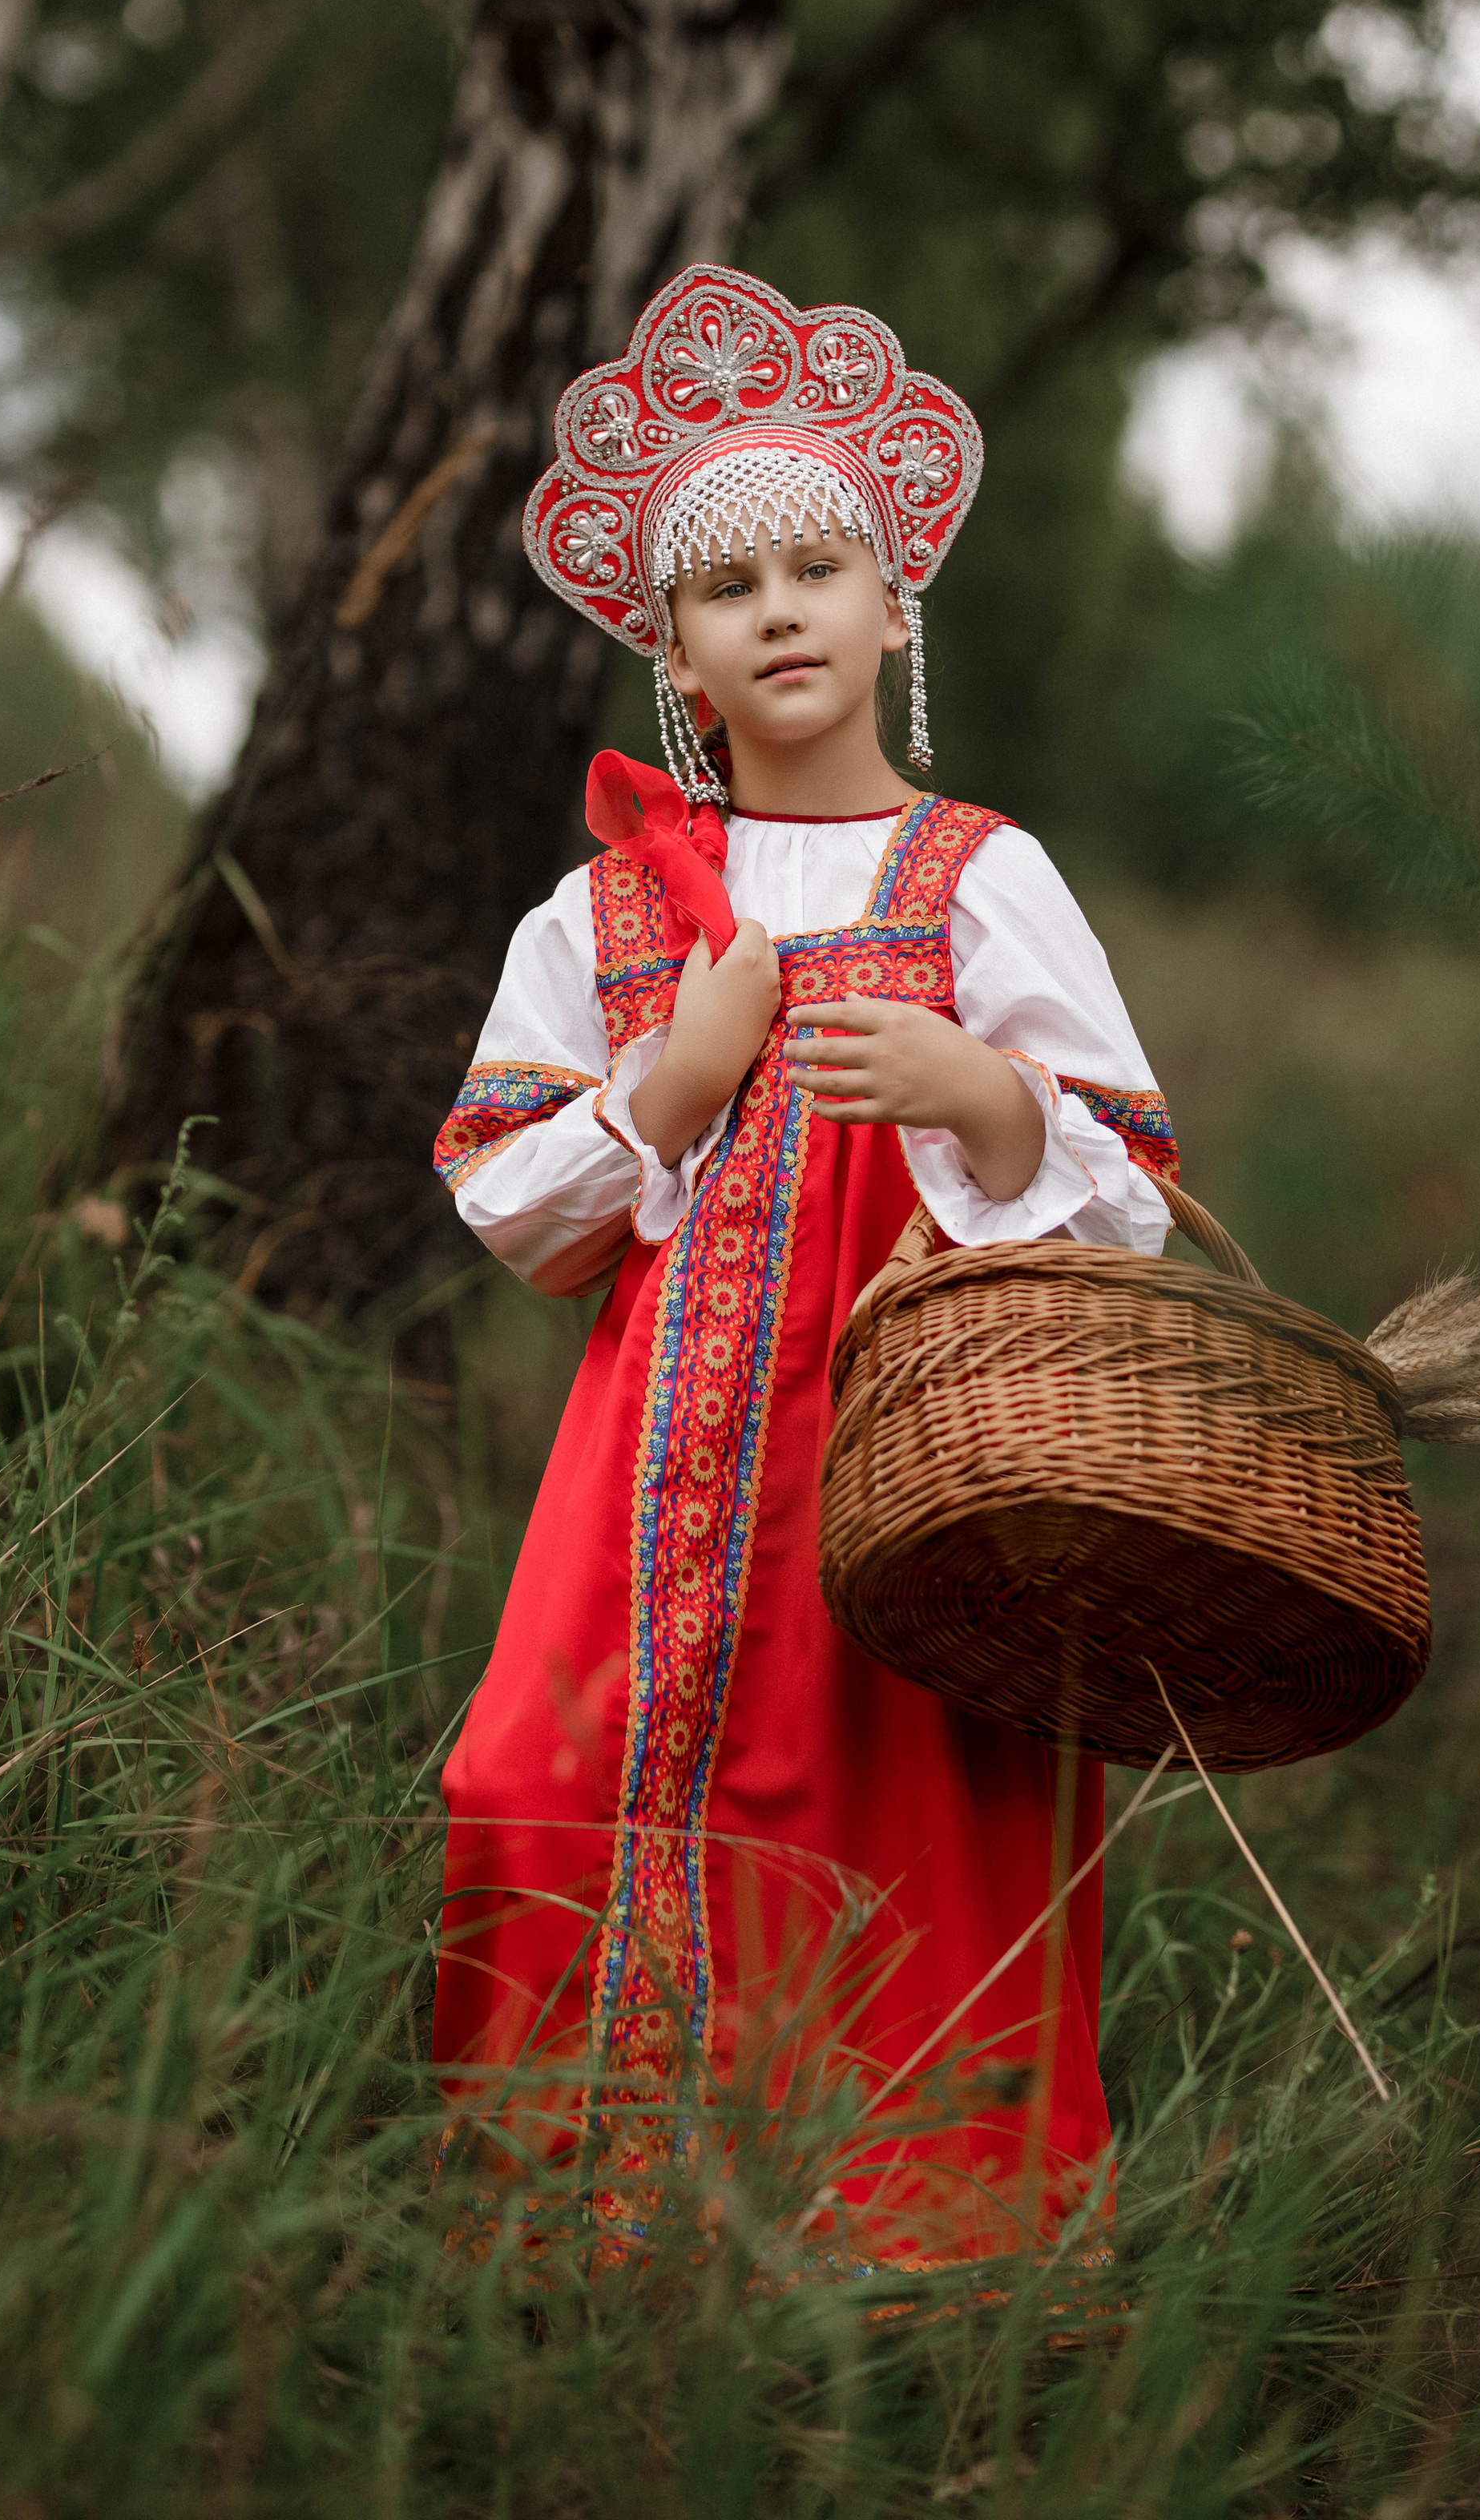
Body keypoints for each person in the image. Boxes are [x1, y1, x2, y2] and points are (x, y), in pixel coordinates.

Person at [430, 263, 1177, 2265]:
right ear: (670, 645)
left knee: (892, 1816)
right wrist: (667, 1087)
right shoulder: (600, 915)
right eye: (726, 584)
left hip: (899, 1464)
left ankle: (902, 2258)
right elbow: (511, 1209)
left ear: (890, 605)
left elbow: (1138, 1184)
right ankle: (581, 2234)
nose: (777, 609)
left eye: (815, 566)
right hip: (643, 1477)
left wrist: (976, 1095)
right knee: (526, 1770)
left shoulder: (978, 877)